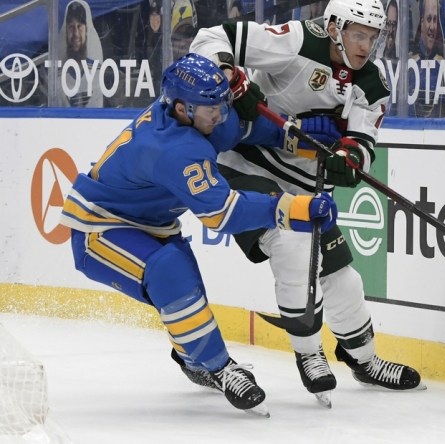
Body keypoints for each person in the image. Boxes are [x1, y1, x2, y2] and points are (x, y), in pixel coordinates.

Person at [58, 53, 341, 415]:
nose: (221, 114)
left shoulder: (202, 114)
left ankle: (193, 361)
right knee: (170, 274)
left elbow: (246, 128)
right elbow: (224, 214)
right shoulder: (170, 149)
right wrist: (298, 209)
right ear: (180, 109)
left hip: (153, 222)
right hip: (101, 229)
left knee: (186, 286)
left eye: (223, 103)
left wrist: (297, 138)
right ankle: (221, 369)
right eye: (213, 108)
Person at [190, 0, 424, 408]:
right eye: (358, 34)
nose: (366, 45)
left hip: (302, 186)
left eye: (372, 36)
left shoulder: (371, 82)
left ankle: (363, 359)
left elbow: (363, 143)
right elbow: (212, 38)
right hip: (244, 167)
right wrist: (231, 78)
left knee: (344, 279)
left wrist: (349, 158)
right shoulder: (298, 40)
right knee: (294, 248)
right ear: (334, 27)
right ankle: (308, 351)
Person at [59, 0, 103, 107]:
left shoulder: (97, 71)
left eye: (80, 26)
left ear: (86, 30)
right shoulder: (56, 75)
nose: (76, 34)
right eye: (71, 27)